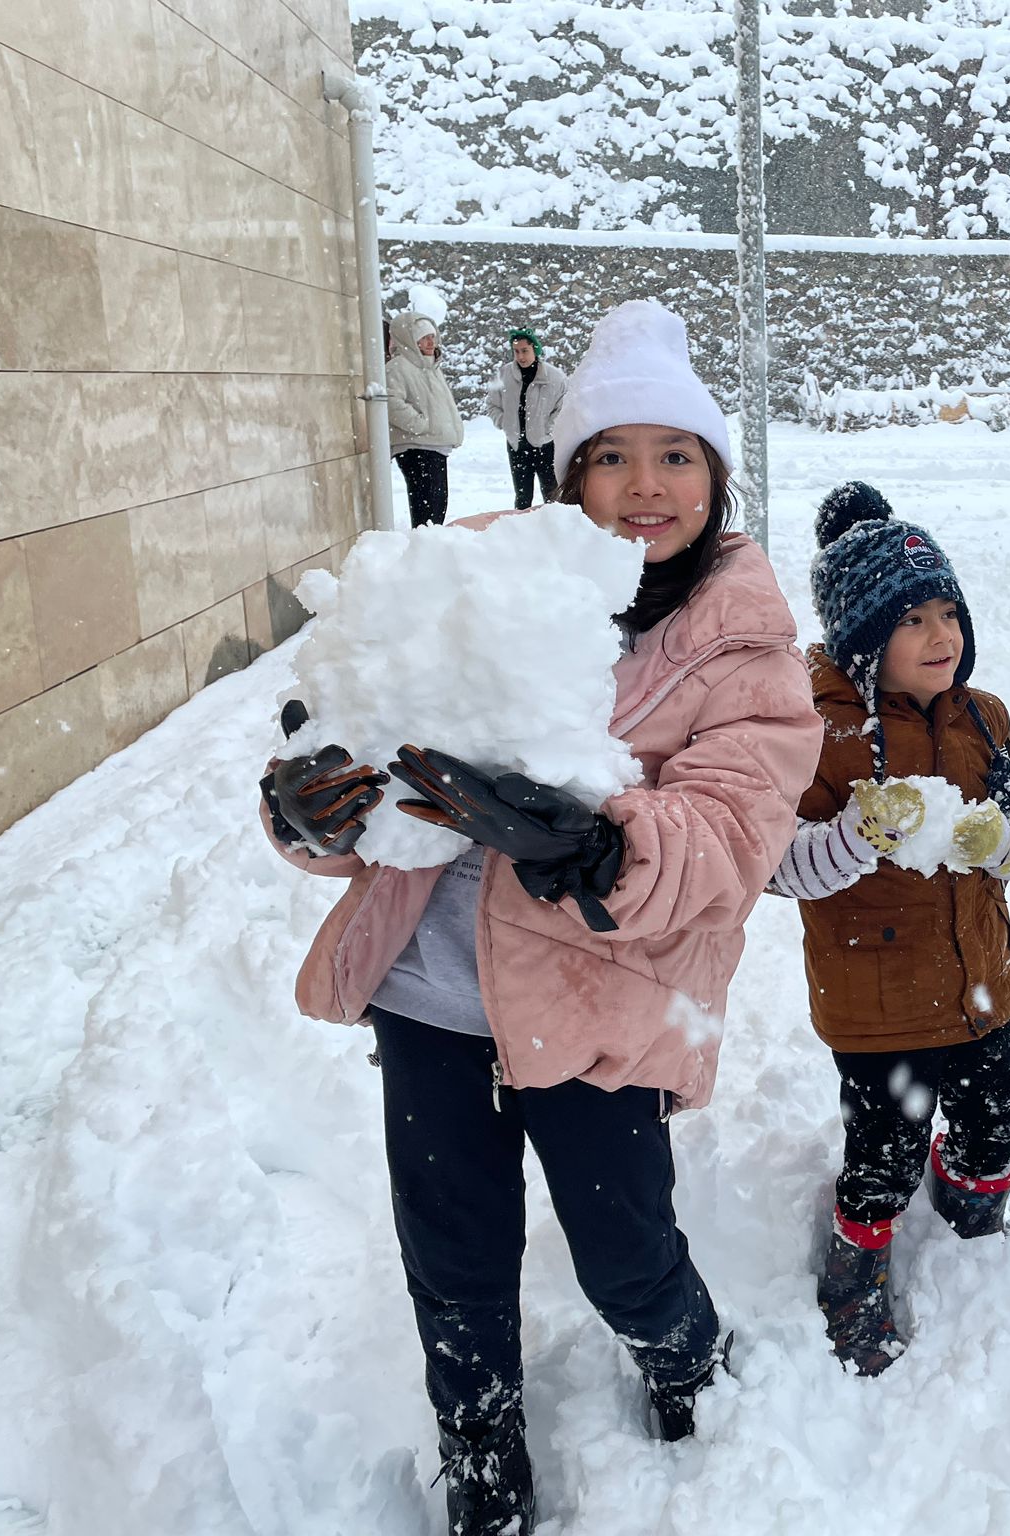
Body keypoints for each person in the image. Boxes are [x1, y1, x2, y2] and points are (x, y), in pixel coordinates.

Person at [259, 300, 823, 1536]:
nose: (643, 486)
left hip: (601, 1003)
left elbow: (734, 835)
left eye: (674, 456)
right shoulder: (475, 580)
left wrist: (595, 843)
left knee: (624, 1244)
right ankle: (479, 1443)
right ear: (568, 473)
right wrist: (314, 811)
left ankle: (682, 1360)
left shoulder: (745, 652)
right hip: (429, 995)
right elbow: (355, 744)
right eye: (609, 456)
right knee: (452, 1253)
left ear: (714, 476)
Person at [765, 482, 1010, 1375]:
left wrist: (1005, 841)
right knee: (884, 1154)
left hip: (979, 987)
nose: (944, 639)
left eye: (950, 615)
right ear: (861, 637)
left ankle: (975, 1224)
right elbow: (776, 864)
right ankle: (856, 1274)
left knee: (998, 1121)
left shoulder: (982, 717)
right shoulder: (815, 730)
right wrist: (855, 836)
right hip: (878, 1006)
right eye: (915, 621)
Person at [386, 311, 465, 527]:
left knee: (437, 509)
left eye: (432, 336)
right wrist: (420, 424)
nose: (431, 341)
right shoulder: (399, 367)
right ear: (409, 339)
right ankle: (424, 553)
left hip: (434, 447)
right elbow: (390, 401)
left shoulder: (430, 366)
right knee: (427, 513)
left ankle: (430, 551)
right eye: (423, 337)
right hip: (417, 448)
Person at [484, 328, 569, 508]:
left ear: (535, 350)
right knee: (522, 497)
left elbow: (563, 408)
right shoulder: (502, 374)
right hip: (516, 445)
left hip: (546, 446)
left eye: (525, 351)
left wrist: (548, 429)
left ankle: (556, 530)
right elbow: (491, 404)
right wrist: (505, 423)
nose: (521, 356)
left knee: (552, 496)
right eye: (516, 351)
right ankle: (521, 532)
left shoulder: (556, 377)